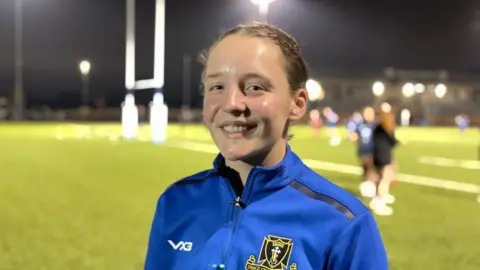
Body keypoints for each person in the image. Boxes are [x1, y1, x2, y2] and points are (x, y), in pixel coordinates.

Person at [144, 22, 389, 270]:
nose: (231, 103)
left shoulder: (343, 223)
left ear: (297, 103)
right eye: (217, 86)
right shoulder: (176, 201)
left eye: (254, 87)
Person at [369, 103, 399, 216]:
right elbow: (392, 141)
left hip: (376, 155)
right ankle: (379, 203)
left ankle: (377, 200)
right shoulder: (386, 126)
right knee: (385, 180)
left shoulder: (377, 127)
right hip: (384, 155)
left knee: (381, 178)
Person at [354, 107, 378, 199]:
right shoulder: (360, 125)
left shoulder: (375, 125)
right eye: (367, 113)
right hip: (363, 151)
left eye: (370, 113)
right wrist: (353, 137)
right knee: (367, 170)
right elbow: (355, 134)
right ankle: (369, 190)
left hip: (373, 151)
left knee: (371, 170)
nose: (368, 116)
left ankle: (369, 190)